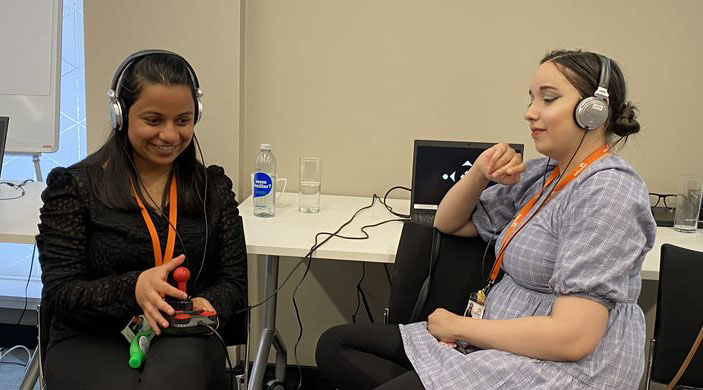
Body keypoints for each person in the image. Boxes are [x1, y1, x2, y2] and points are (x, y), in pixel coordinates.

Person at [316, 49, 656, 390]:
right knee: (336, 345)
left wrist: (458, 328)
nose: (530, 113)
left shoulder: (610, 191)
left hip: (560, 368)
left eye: (548, 99)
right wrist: (479, 173)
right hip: (499, 341)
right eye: (531, 99)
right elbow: (448, 222)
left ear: (593, 111)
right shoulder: (546, 175)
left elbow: (572, 339)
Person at [37, 50, 248, 389]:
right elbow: (63, 291)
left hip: (183, 334)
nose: (170, 135)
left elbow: (233, 283)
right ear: (120, 115)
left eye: (183, 120)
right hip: (93, 335)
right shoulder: (75, 188)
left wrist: (206, 304)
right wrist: (134, 287)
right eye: (153, 120)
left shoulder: (213, 190)